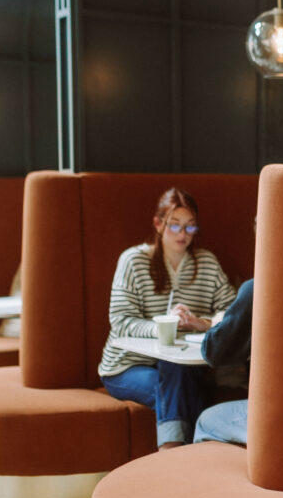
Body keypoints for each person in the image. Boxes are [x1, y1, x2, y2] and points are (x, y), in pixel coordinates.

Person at [99, 188, 236, 449]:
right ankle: (181, 455)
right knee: (173, 384)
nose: (183, 235)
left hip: (183, 365)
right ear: (158, 224)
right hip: (126, 366)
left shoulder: (206, 263)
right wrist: (164, 326)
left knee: (175, 370)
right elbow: (120, 320)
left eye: (190, 227)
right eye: (175, 226)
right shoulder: (133, 261)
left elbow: (231, 312)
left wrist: (202, 323)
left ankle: (174, 459)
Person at [192, 278, 253, 445]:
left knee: (206, 421)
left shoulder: (259, 288)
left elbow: (215, 353)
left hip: (282, 416)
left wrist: (219, 323)